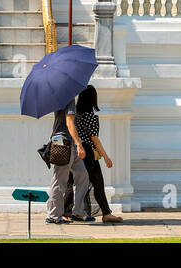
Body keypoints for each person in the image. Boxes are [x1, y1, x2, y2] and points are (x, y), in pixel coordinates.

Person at [72, 85, 123, 224]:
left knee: (77, 182)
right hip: (89, 152)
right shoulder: (90, 116)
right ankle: (106, 213)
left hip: (80, 150)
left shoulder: (76, 115)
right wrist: (106, 157)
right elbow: (94, 138)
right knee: (97, 183)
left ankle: (67, 210)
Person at [45, 92, 90, 225]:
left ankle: (78, 211)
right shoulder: (68, 98)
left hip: (66, 142)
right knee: (59, 180)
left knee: (82, 175)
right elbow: (69, 123)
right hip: (64, 143)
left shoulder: (57, 97)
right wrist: (79, 143)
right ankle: (53, 215)